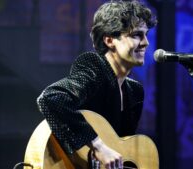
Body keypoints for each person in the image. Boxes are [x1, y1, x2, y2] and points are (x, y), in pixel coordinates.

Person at [36, 1, 157, 169]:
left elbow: (121, 151)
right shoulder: (95, 68)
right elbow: (51, 98)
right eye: (136, 35)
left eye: (146, 35)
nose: (146, 43)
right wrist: (98, 146)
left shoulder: (135, 91)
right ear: (109, 40)